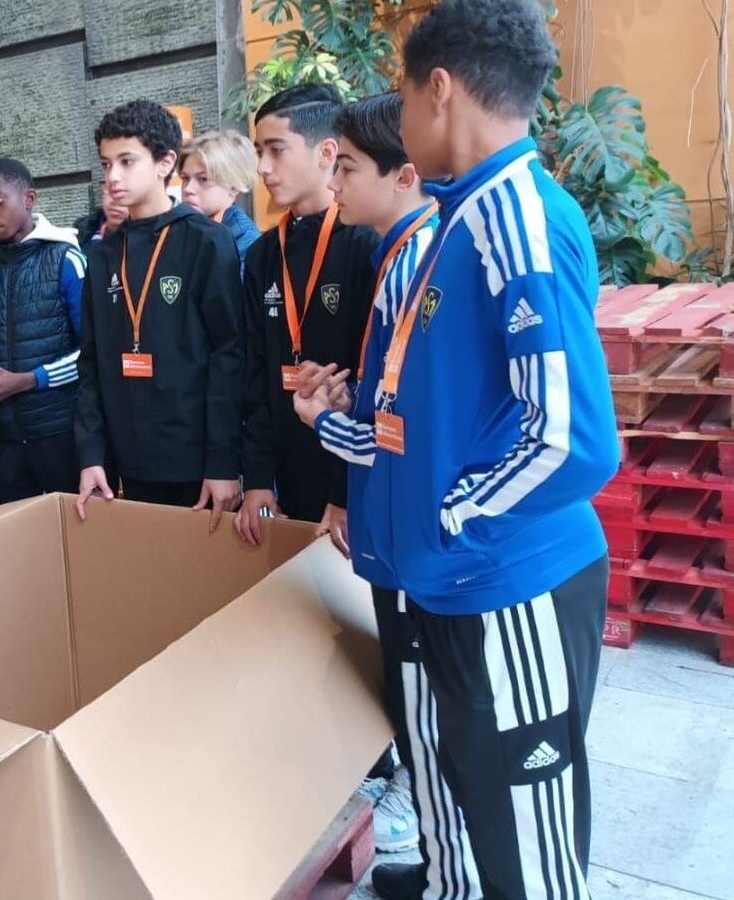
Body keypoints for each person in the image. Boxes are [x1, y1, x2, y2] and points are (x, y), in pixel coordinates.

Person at [303, 2, 620, 896]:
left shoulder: (514, 216)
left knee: (530, 854)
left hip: (507, 585)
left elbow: (570, 440)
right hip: (458, 581)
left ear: (438, 89)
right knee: (478, 808)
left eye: (402, 96)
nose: (399, 119)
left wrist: (450, 520)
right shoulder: (462, 218)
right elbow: (436, 413)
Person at [292, 93, 481, 900]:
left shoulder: (418, 260)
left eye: (347, 167)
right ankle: (441, 865)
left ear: (404, 175)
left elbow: (408, 433)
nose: (333, 182)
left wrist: (325, 421)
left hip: (415, 524)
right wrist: (351, 401)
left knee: (426, 697)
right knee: (412, 688)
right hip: (393, 518)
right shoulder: (397, 253)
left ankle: (445, 863)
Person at [74, 100, 244, 526]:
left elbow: (229, 355)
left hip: (195, 461)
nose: (112, 176)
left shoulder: (206, 241)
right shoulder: (103, 254)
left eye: (127, 161)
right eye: (106, 164)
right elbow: (91, 361)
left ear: (165, 162)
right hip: (127, 459)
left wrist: (223, 462)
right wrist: (92, 454)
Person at [235, 83, 379, 550]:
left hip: (353, 473)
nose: (263, 168)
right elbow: (254, 371)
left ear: (326, 152)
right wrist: (258, 478)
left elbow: (371, 383)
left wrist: (344, 494)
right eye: (259, 152)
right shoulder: (263, 254)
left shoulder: (365, 244)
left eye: (276, 150)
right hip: (286, 470)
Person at [0, 158, 86, 508]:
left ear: (29, 200)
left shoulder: (66, 260)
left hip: (59, 432)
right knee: (13, 532)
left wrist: (27, 380)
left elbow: (91, 352)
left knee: (71, 529)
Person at [180, 129, 262, 270]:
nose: (188, 189)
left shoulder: (245, 240)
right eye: (185, 178)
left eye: (203, 179)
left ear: (233, 186)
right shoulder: (186, 226)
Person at [74, 179, 129, 252]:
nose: (114, 201)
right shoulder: (84, 232)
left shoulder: (142, 241)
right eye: (110, 192)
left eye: (122, 194)